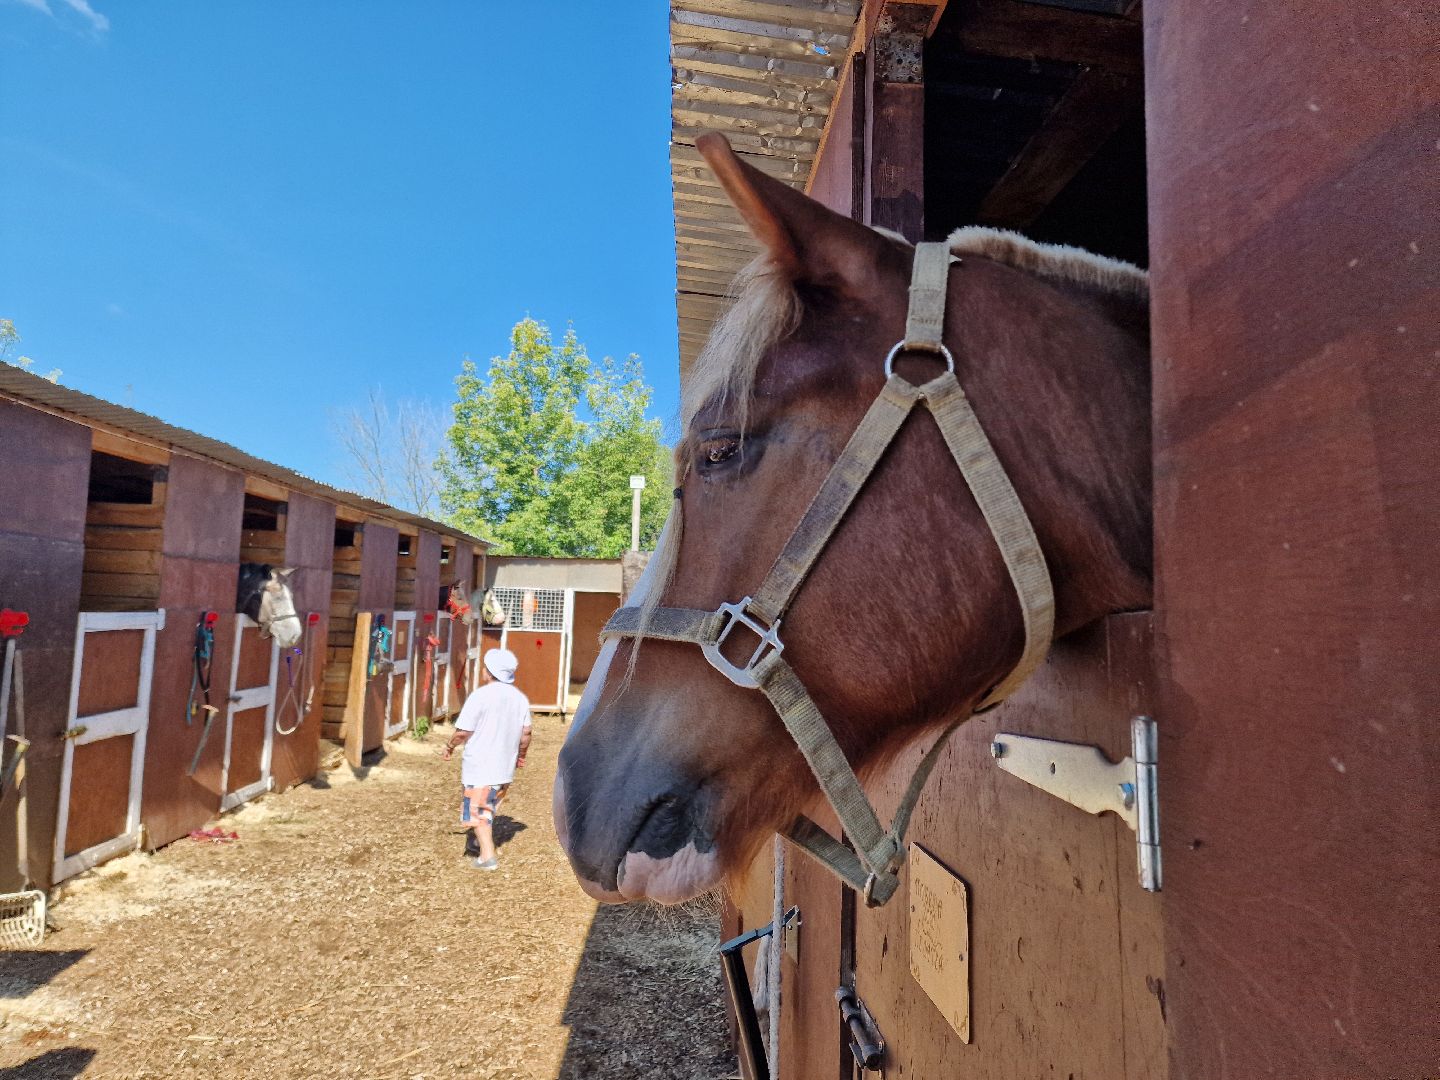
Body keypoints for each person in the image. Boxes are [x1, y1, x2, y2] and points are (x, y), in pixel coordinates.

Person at [442, 648, 531, 870]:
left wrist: (450, 746)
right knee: (487, 806)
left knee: (479, 811)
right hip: (504, 769)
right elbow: (526, 733)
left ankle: (487, 857)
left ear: (489, 672)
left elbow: (463, 733)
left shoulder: (480, 696)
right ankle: (476, 839)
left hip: (481, 766)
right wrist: (521, 756)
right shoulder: (519, 699)